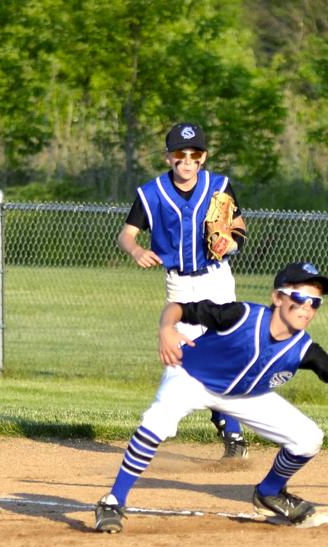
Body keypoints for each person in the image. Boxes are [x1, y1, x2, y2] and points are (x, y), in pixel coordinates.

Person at [93, 262, 328, 532]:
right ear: (277, 297)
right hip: (192, 377)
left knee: (308, 438)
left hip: (246, 396)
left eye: (315, 302)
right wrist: (166, 329)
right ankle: (113, 501)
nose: (307, 307)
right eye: (299, 297)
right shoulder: (240, 316)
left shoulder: (304, 349)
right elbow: (179, 308)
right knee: (157, 422)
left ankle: (269, 493)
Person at [118, 122, 250, 459]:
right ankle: (162, 427)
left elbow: (239, 226)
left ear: (203, 157)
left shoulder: (220, 186)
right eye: (179, 154)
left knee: (225, 350)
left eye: (194, 154)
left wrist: (230, 241)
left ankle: (232, 433)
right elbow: (126, 234)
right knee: (185, 356)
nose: (186, 160)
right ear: (168, 157)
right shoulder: (151, 193)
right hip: (179, 284)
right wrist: (136, 250)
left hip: (217, 278)